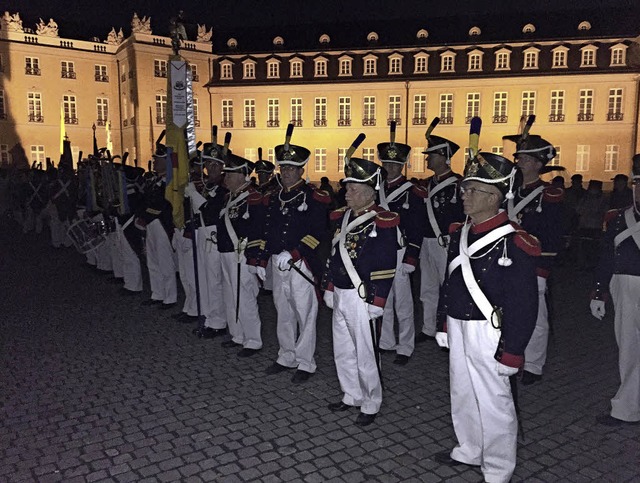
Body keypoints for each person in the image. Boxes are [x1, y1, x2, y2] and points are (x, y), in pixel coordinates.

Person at [434, 150, 540, 483]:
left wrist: (513, 350)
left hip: (490, 330)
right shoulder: (460, 233)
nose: (464, 196)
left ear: (495, 196)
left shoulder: (517, 242)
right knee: (462, 390)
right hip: (459, 323)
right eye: (465, 189)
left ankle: (497, 466)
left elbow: (524, 303)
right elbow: (448, 282)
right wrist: (443, 322)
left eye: (472, 190)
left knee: (494, 399)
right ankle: (469, 447)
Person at [322, 136, 400, 426]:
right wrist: (329, 286)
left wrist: (378, 301)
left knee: (366, 351)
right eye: (347, 188)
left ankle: (371, 401)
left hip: (362, 295)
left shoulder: (383, 220)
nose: (347, 194)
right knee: (342, 347)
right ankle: (351, 394)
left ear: (370, 192)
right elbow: (334, 254)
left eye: (353, 189)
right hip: (341, 292)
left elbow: (385, 264)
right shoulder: (343, 217)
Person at [255, 124, 331, 383]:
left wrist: (296, 253)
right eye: (283, 167)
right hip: (278, 262)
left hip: (302, 265)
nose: (286, 172)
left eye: (291, 168)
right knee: (283, 311)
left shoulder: (315, 197)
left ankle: (305, 362)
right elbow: (268, 231)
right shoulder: (274, 198)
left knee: (305, 313)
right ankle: (286, 354)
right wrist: (263, 259)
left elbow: (319, 231)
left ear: (301, 169)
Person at [503, 128, 565, 385]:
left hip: (533, 264)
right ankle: (512, 356)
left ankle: (534, 364)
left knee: (536, 317)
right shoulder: (510, 191)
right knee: (509, 313)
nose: (520, 163)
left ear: (539, 164)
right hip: (508, 263)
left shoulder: (549, 194)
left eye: (526, 159)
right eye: (519, 159)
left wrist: (543, 267)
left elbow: (551, 235)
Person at [590, 154, 640, 426]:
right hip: (624, 286)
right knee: (629, 349)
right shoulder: (620, 218)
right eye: (638, 184)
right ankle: (627, 408)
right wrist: (599, 291)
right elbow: (606, 255)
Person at [376, 122, 427, 365]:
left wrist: (411, 257)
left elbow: (417, 226)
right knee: (382, 299)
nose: (390, 168)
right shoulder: (375, 190)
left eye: (395, 164)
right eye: (387, 163)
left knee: (404, 304)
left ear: (403, 165)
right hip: (380, 251)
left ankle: (405, 346)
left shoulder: (412, 192)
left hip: (400, 252)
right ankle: (386, 341)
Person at [417, 118, 465, 343]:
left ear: (444, 157)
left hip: (446, 240)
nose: (428, 158)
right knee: (427, 287)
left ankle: (449, 328)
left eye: (432, 155)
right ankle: (428, 328)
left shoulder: (458, 184)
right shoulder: (427, 184)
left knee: (449, 286)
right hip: (427, 240)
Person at [217, 152, 265, 357]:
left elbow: (257, 228)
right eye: (225, 174)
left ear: (243, 175)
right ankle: (237, 334)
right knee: (230, 295)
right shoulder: (229, 197)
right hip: (226, 252)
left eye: (230, 174)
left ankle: (253, 340)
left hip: (242, 254)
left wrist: (253, 256)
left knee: (245, 297)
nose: (225, 178)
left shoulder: (253, 198)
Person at [184, 135, 230, 339]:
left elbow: (211, 212)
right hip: (201, 233)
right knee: (202, 278)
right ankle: (207, 316)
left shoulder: (225, 188)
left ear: (222, 167)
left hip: (214, 235)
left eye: (215, 164)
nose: (210, 168)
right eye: (208, 164)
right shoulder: (206, 186)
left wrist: (194, 195)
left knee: (214, 280)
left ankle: (218, 322)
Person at [136, 138, 177, 308]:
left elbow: (164, 205)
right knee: (152, 261)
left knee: (165, 262)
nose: (154, 162)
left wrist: (145, 217)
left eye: (157, 159)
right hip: (151, 223)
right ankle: (157, 293)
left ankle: (169, 297)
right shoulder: (154, 181)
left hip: (161, 223)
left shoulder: (171, 182)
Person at [576, 180, 608, 270]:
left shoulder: (603, 199)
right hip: (584, 226)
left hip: (596, 227)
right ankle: (583, 264)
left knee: (594, 247)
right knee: (584, 246)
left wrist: (594, 213)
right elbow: (578, 210)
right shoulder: (585, 198)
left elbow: (604, 212)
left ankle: (593, 264)